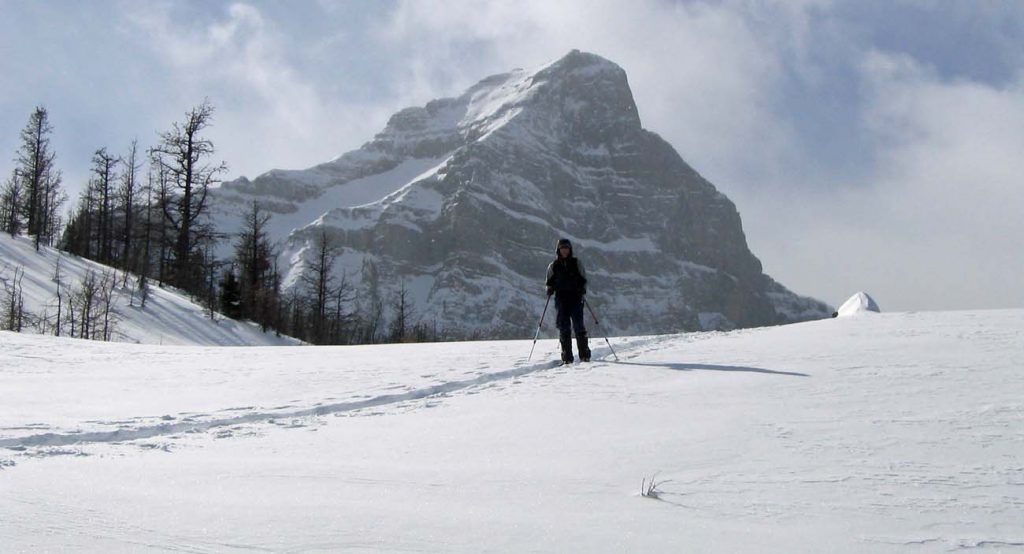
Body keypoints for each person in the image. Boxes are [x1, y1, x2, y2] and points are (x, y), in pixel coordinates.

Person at [545, 238, 591, 364]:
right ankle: (567, 356)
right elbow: (549, 281)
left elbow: (583, 278)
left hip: (575, 297)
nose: (564, 250)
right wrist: (549, 289)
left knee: (578, 326)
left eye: (566, 248)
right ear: (558, 250)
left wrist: (582, 289)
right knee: (563, 327)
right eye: (562, 248)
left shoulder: (576, 263)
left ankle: (584, 354)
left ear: (570, 250)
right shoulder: (553, 265)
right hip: (561, 299)